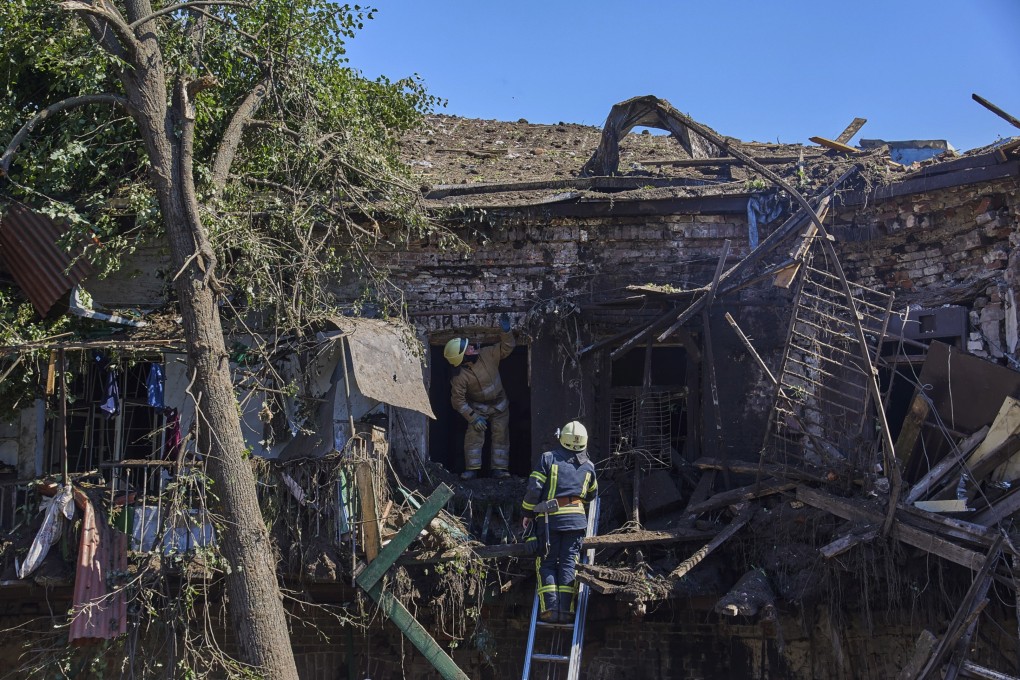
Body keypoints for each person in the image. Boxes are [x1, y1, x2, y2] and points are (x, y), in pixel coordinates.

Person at [521, 421, 598, 623]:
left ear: (561, 437)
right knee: (568, 563)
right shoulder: (589, 465)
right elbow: (592, 494)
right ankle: (566, 610)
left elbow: (534, 489)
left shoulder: (548, 459)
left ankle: (550, 609)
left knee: (546, 562)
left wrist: (527, 513)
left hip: (551, 521)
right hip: (577, 522)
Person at [444, 313, 515, 480]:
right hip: (477, 408)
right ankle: (472, 469)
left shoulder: (487, 353)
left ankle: (499, 469)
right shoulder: (459, 377)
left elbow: (507, 347)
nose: (472, 347)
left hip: (500, 405)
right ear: (462, 357)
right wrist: (473, 417)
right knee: (474, 437)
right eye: (467, 348)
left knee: (501, 435)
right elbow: (458, 401)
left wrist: (506, 332)